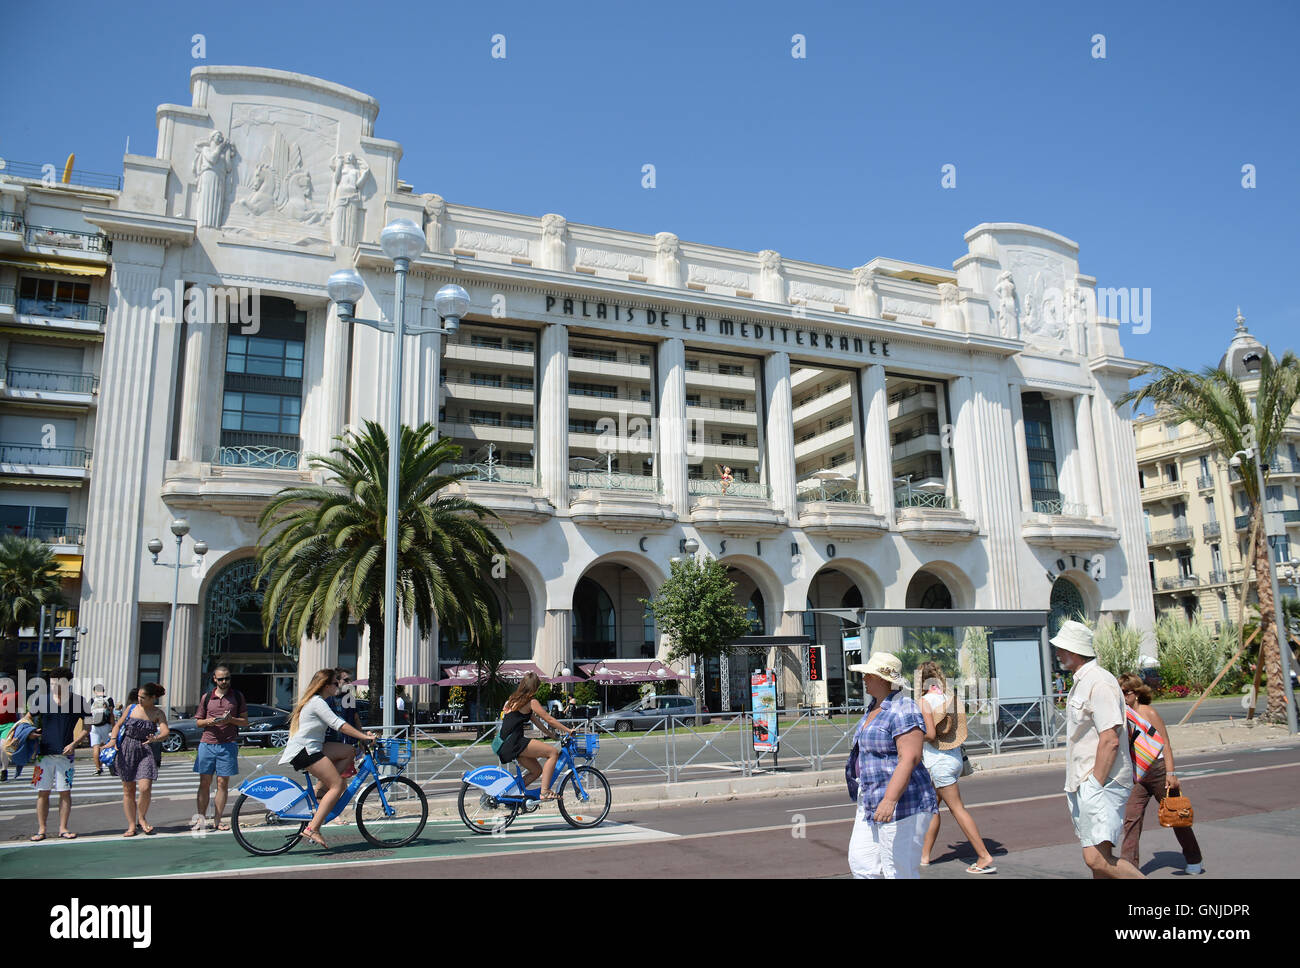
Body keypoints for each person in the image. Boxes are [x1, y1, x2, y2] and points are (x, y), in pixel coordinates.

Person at [1053, 621, 1143, 879]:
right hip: (1086, 780)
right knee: (1098, 860)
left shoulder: (1100, 682)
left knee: (1095, 858)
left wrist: (1095, 783)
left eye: (1061, 648)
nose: (1058, 653)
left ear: (1074, 651)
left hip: (1102, 781)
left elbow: (1110, 739)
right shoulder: (1083, 681)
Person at [845, 653, 937, 878]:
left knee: (898, 870)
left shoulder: (903, 708)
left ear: (885, 679)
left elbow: (910, 757)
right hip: (869, 798)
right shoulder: (874, 707)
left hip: (902, 803)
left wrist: (890, 799)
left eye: (870, 674)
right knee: (862, 863)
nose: (864, 678)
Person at [1117, 673, 1204, 874]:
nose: (1122, 697)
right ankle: (1129, 869)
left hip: (1157, 770)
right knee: (1131, 819)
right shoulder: (1122, 715)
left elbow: (1165, 744)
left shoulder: (1149, 712)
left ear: (1136, 693)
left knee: (1175, 816)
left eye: (1125, 693)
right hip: (1137, 773)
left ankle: (1194, 858)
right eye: (1119, 693)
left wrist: (1171, 773)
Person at [281, 669, 377, 848]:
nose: (338, 685)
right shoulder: (317, 702)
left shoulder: (322, 700)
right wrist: (364, 737)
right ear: (325, 686)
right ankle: (313, 828)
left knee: (348, 751)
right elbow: (338, 724)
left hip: (312, 746)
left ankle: (323, 791)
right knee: (339, 785)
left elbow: (346, 722)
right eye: (335, 683)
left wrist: (361, 736)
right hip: (305, 750)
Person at [915, 662, 996, 873]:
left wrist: (913, 735)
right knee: (932, 807)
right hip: (953, 758)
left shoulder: (924, 701)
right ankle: (924, 856)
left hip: (938, 762)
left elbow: (931, 735)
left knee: (957, 808)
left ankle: (984, 856)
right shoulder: (947, 698)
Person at [28, 667, 89, 841]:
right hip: (44, 754)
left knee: (65, 791)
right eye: (52, 683)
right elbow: (27, 718)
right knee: (42, 791)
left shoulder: (79, 701)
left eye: (58, 683)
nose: (54, 686)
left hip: (66, 754)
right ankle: (41, 829)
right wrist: (30, 732)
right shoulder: (41, 700)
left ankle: (63, 828)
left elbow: (88, 726)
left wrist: (75, 743)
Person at [496, 672, 574, 798]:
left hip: (506, 744)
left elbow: (538, 722)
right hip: (514, 743)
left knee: (536, 771)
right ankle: (545, 791)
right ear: (535, 687)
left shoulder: (514, 699)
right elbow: (549, 719)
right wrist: (568, 730)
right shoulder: (531, 701)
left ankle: (510, 795)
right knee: (553, 752)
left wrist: (552, 735)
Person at [106, 682, 170, 836]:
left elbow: (166, 732)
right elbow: (117, 725)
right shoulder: (131, 708)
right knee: (128, 790)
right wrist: (113, 739)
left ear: (153, 698)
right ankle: (131, 825)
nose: (139, 699)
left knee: (145, 787)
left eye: (143, 697)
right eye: (138, 697)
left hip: (145, 750)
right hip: (127, 749)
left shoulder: (157, 713)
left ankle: (141, 818)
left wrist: (156, 738)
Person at [192, 666, 247, 831]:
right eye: (221, 679)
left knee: (222, 783)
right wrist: (211, 721)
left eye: (227, 678)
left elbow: (245, 721)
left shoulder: (237, 696)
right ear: (214, 679)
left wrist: (231, 720)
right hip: (207, 744)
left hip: (228, 745)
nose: (224, 682)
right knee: (204, 783)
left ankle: (217, 820)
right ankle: (200, 820)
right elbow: (198, 722)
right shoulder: (207, 697)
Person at [324, 668, 360, 747]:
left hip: (349, 741)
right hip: (331, 741)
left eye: (350, 680)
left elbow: (356, 718)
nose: (349, 683)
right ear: (337, 681)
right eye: (346, 680)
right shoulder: (327, 698)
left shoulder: (349, 698)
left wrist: (361, 738)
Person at [88, 684, 116, 776]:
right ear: (103, 691)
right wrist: (114, 727)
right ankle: (110, 766)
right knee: (107, 746)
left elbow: (88, 715)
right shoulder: (108, 699)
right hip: (106, 726)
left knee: (96, 747)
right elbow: (111, 714)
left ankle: (98, 768)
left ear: (94, 691)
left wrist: (87, 727)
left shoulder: (92, 700)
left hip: (94, 727)